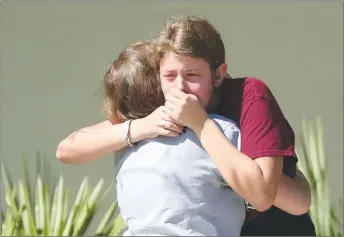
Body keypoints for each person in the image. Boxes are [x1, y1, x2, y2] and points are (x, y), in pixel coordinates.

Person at [56, 16, 315, 236]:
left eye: (192, 75)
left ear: (219, 74)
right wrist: (140, 127)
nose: (179, 87)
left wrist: (199, 123)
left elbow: (275, 198)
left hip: (273, 227)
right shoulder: (160, 105)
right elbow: (67, 150)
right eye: (169, 75)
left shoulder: (250, 96)